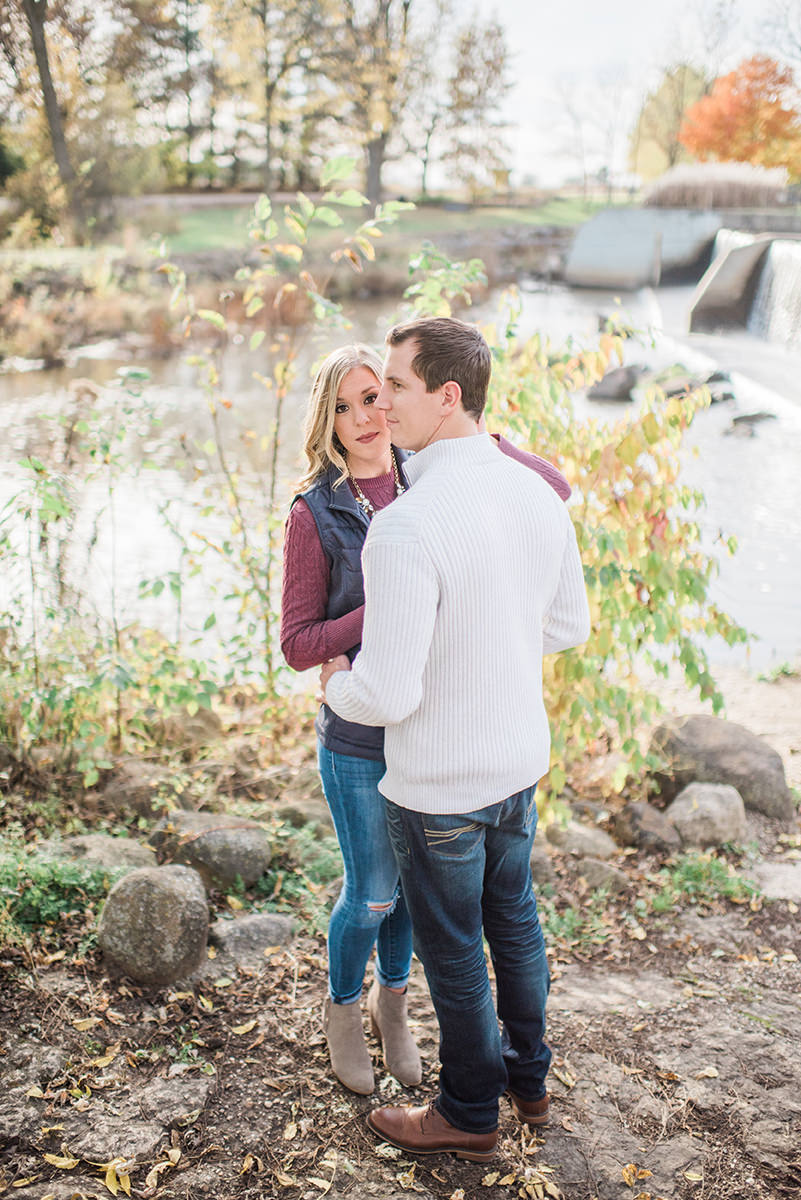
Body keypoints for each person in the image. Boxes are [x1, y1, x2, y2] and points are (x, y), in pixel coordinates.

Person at [320, 318, 590, 1160]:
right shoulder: (534, 491)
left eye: (395, 385)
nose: (382, 402)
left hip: (437, 783)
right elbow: (567, 626)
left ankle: (469, 1113)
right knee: (514, 924)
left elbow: (388, 693)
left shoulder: (408, 525)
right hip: (517, 763)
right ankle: (529, 1079)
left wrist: (338, 685)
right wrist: (488, 635)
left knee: (456, 952)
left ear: (447, 396)